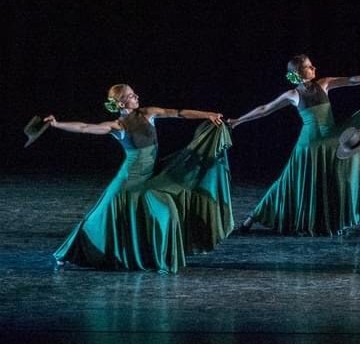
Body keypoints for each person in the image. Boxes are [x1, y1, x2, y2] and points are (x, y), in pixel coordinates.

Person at [50, 84, 230, 274]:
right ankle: (65, 254)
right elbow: (85, 127)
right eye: (131, 95)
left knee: (165, 213)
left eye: (134, 93)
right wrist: (57, 124)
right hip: (128, 181)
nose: (136, 96)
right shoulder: (118, 126)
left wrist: (208, 114)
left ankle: (155, 257)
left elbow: (179, 113)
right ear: (121, 103)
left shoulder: (148, 113)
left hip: (150, 176)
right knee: (98, 218)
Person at [229, 54, 360, 236]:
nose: (314, 68)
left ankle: (332, 219)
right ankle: (252, 217)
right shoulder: (293, 94)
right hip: (309, 146)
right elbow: (265, 109)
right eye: (309, 66)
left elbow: (351, 80)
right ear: (299, 72)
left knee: (332, 180)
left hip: (327, 143)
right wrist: (237, 121)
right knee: (288, 182)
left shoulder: (324, 84)